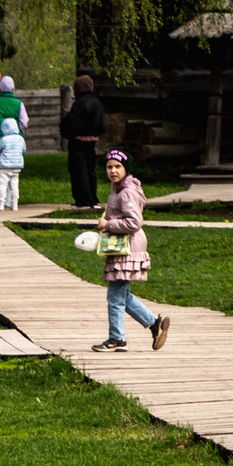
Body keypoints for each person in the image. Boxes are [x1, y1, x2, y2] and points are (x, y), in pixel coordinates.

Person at [93, 150, 168, 353]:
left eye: (118, 166)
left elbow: (134, 222)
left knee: (115, 296)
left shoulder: (126, 192)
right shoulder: (118, 189)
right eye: (109, 167)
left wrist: (108, 223)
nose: (113, 170)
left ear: (126, 169)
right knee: (121, 294)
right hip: (121, 245)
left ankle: (117, 339)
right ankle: (153, 323)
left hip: (127, 246)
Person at [61, 76, 106, 209]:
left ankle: (83, 200)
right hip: (92, 142)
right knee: (90, 171)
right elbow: (101, 126)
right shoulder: (97, 103)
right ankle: (93, 198)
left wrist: (66, 129)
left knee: (78, 171)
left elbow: (72, 124)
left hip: (78, 142)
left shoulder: (79, 104)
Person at [0, 117, 23, 211]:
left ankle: (1, 204)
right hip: (17, 166)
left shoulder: (4, 139)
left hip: (3, 166)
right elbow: (23, 150)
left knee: (2, 185)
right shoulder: (20, 139)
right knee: (14, 186)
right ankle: (15, 204)